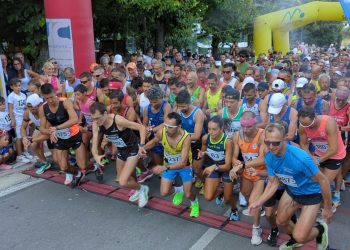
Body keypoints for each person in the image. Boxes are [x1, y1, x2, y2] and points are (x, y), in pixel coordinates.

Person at [249, 122, 331, 250]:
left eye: (276, 143)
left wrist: (327, 208)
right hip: (292, 191)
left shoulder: (300, 158)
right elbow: (273, 182)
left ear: (284, 139)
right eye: (267, 142)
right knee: (280, 221)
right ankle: (296, 239)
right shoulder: (269, 156)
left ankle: (320, 230)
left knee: (301, 236)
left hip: (311, 194)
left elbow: (323, 180)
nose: (271, 147)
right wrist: (258, 202)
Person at [90, 102, 149, 208]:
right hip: (122, 150)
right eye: (93, 118)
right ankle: (137, 188)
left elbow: (142, 128)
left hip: (133, 148)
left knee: (123, 181)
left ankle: (142, 189)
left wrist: (141, 145)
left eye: (98, 118)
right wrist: (96, 156)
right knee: (119, 179)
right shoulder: (96, 123)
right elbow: (94, 145)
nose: (96, 121)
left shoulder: (118, 121)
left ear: (105, 113)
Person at [143, 112, 200, 217]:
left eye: (170, 127)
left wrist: (163, 167)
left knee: (188, 194)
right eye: (165, 125)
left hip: (184, 167)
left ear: (179, 127)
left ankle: (194, 203)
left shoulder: (186, 138)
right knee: (164, 192)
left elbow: (182, 163)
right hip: (169, 164)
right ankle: (179, 190)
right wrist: (142, 148)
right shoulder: (162, 132)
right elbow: (154, 141)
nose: (167, 129)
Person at [39, 83, 95, 187]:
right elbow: (42, 128)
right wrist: (50, 132)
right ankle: (77, 174)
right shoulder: (42, 108)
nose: (50, 100)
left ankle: (94, 167)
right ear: (42, 96)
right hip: (61, 139)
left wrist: (57, 128)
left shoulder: (65, 102)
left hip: (74, 136)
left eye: (51, 97)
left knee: (83, 165)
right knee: (64, 168)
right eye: (47, 98)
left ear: (55, 92)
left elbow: (74, 119)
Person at [230, 111, 266, 246]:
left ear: (255, 123)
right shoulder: (237, 135)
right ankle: (259, 208)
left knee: (253, 202)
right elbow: (234, 156)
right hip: (246, 173)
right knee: (245, 193)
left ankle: (256, 228)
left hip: (261, 173)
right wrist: (236, 165)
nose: (245, 130)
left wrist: (242, 165)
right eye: (243, 126)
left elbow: (262, 159)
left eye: (249, 127)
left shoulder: (262, 135)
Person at [298, 107, 346, 211]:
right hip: (318, 154)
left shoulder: (329, 123)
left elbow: (333, 149)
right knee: (317, 182)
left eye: (310, 126)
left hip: (335, 156)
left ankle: (331, 202)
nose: (308, 128)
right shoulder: (303, 125)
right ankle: (318, 202)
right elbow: (303, 143)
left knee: (324, 183)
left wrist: (318, 160)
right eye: (305, 126)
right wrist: (310, 158)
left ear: (315, 117)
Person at [199, 116, 239, 221]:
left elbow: (227, 165)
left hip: (224, 169)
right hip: (213, 167)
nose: (211, 132)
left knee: (228, 197)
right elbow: (203, 152)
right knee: (208, 197)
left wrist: (214, 166)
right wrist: (202, 154)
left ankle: (234, 209)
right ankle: (221, 190)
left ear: (221, 129)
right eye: (209, 129)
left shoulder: (227, 142)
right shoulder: (205, 138)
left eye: (214, 129)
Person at [176, 90, 205, 192]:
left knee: (197, 169)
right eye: (179, 106)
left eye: (183, 106)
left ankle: (205, 183)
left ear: (189, 103)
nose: (181, 109)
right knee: (186, 166)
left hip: (198, 143)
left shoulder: (198, 113)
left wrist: (180, 137)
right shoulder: (179, 111)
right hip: (186, 142)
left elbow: (197, 136)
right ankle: (194, 178)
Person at [21, 94, 51, 174]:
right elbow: (23, 128)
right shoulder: (27, 113)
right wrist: (24, 138)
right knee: (34, 145)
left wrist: (31, 139)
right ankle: (45, 163)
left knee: (58, 159)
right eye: (29, 107)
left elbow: (47, 135)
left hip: (50, 130)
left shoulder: (45, 110)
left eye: (33, 107)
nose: (31, 110)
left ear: (39, 105)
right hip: (40, 129)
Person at [143, 87, 172, 167]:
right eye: (151, 102)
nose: (153, 104)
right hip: (155, 139)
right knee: (158, 165)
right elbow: (144, 124)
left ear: (161, 98)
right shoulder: (147, 108)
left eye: (155, 102)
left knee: (167, 166)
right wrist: (146, 130)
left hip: (166, 137)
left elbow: (166, 123)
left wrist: (151, 129)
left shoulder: (166, 106)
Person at [8, 78, 30, 163]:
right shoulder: (11, 96)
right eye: (16, 86)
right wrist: (12, 120)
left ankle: (25, 151)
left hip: (24, 117)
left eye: (19, 85)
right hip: (17, 119)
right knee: (19, 137)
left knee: (25, 135)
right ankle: (19, 155)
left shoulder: (23, 95)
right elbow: (10, 109)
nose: (18, 87)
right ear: (12, 87)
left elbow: (25, 106)